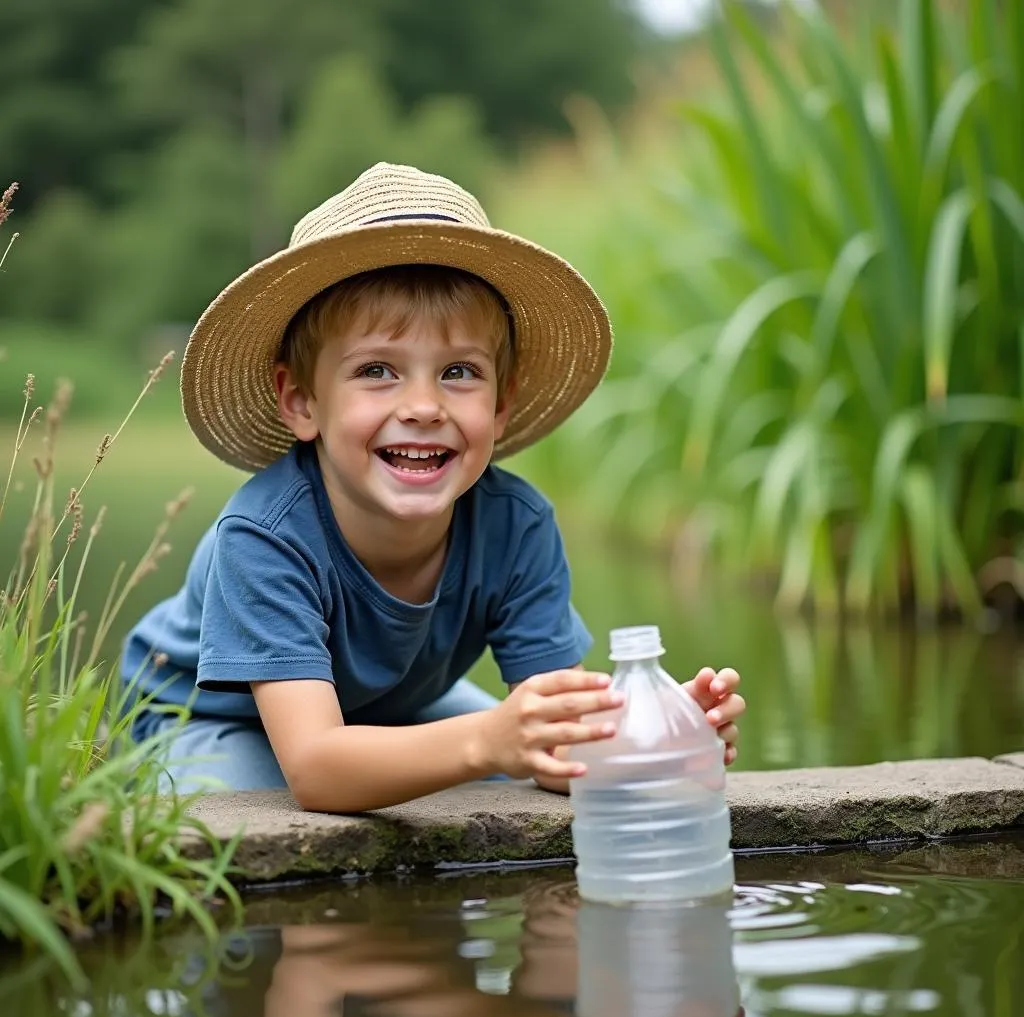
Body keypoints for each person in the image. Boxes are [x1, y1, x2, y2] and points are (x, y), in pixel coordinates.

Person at [121, 162, 745, 812]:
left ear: (500, 407)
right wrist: (486, 742)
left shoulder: (517, 525)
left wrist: (659, 732)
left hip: (390, 708)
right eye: (378, 370)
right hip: (203, 714)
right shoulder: (264, 536)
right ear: (302, 401)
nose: (423, 405)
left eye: (458, 372)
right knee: (249, 804)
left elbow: (561, 754)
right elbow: (315, 769)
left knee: (512, 764)